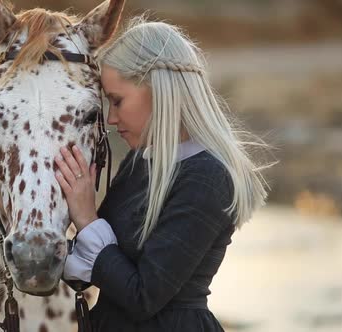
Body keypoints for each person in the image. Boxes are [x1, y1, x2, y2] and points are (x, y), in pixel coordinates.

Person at [53, 17, 272, 332]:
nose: (111, 118)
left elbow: (143, 295)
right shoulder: (141, 160)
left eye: (117, 101)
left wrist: (86, 219)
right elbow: (98, 267)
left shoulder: (208, 177)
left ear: (159, 90)